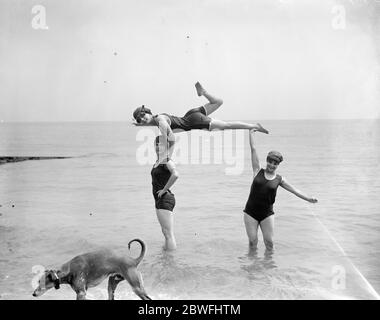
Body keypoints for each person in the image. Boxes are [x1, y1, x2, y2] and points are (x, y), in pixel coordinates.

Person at [244, 129, 317, 256]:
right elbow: (253, 149)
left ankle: (269, 267)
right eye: (270, 162)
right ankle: (252, 266)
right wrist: (251, 132)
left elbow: (295, 190)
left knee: (269, 243)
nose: (271, 165)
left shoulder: (279, 179)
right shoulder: (257, 171)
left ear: (278, 165)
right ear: (267, 161)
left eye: (275, 163)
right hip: (250, 213)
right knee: (252, 242)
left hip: (267, 214)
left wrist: (308, 198)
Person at [132, 82, 269, 143]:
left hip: (196, 122)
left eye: (143, 115)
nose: (142, 119)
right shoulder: (157, 118)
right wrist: (140, 125)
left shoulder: (161, 122)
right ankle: (203, 93)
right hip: (191, 114)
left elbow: (171, 138)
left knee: (227, 126)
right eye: (139, 119)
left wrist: (162, 143)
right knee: (218, 102)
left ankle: (254, 126)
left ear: (148, 112)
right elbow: (154, 123)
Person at [151, 135, 178, 250]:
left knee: (169, 234)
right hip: (160, 199)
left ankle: (171, 260)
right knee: (165, 232)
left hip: (165, 199)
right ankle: (166, 256)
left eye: (160, 144)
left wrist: (164, 190)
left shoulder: (166, 160)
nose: (158, 146)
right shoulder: (159, 161)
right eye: (156, 144)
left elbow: (175, 174)